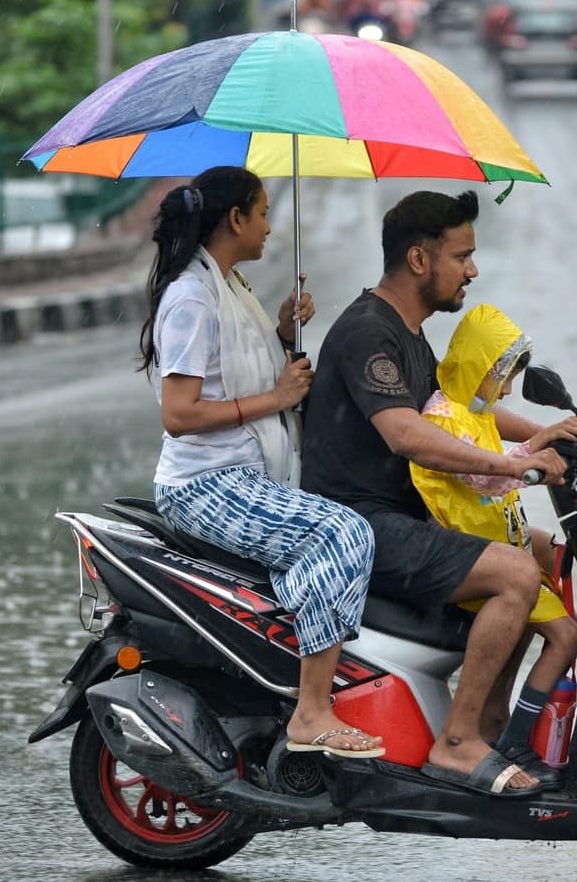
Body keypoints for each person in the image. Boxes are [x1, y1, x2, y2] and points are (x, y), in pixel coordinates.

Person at [301, 189, 577, 796]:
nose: (472, 271)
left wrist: (548, 434)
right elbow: (406, 434)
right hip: (362, 524)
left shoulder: (409, 333)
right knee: (515, 574)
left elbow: (458, 411)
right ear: (419, 260)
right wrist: (512, 468)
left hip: (406, 514)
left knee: (537, 550)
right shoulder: (368, 332)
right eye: (462, 256)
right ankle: (456, 743)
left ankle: (492, 723)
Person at [143, 166, 382, 758]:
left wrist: (281, 330)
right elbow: (179, 412)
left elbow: (235, 371)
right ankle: (312, 712)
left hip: (246, 472)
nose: (271, 228)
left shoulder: (231, 286)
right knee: (344, 533)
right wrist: (276, 399)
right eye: (264, 213)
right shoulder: (192, 297)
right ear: (235, 219)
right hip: (204, 484)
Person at [410, 303, 577, 790]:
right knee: (569, 635)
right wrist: (537, 449)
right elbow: (485, 475)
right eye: (502, 376)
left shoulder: (474, 411)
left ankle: (497, 719)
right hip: (472, 553)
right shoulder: (442, 419)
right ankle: (514, 742)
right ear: (479, 366)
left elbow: (499, 454)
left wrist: (549, 439)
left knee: (557, 556)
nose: (507, 389)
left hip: (500, 538)